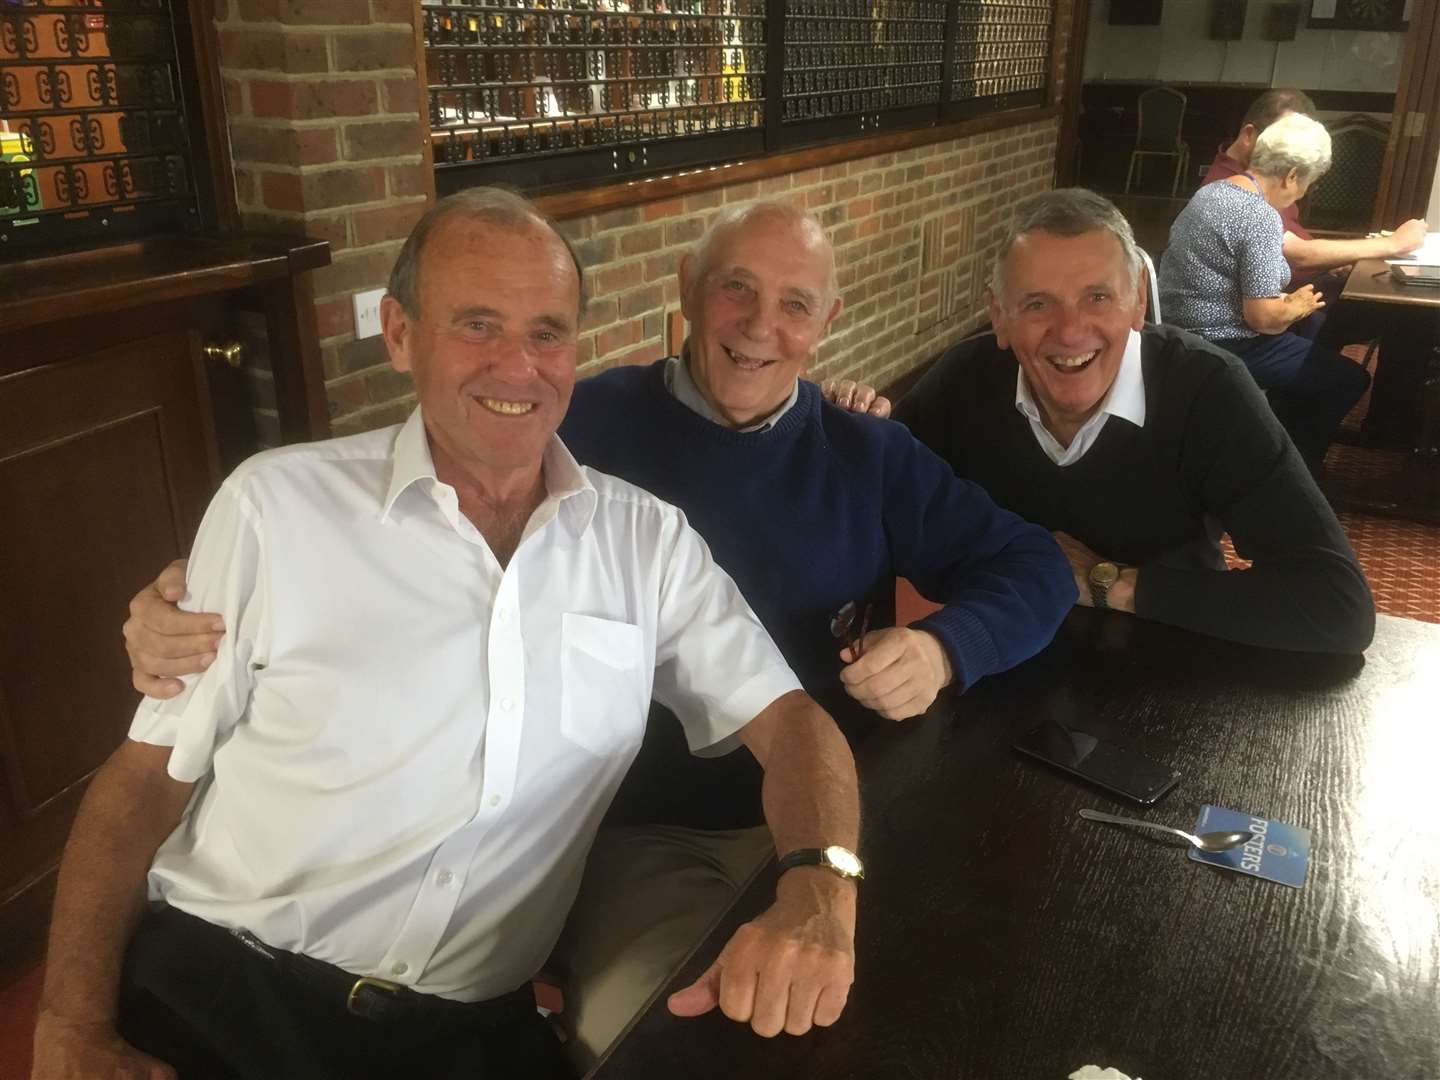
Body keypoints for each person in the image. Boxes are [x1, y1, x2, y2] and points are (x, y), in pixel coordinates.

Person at [121, 199, 1077, 1073]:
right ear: (688, 297)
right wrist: (182, 598)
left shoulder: (841, 456)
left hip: (814, 809)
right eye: (735, 290)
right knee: (681, 1048)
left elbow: (1021, 574)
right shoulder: (576, 425)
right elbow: (412, 493)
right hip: (627, 840)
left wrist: (948, 646)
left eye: (795, 304)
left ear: (826, 325)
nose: (759, 326)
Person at [32, 189, 863, 1080]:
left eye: (547, 332)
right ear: (400, 335)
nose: (518, 365)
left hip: (463, 1036)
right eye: (477, 325)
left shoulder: (645, 542)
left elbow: (794, 726)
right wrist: (67, 1022)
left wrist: (822, 883)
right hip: (226, 984)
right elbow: (141, 786)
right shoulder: (275, 508)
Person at [896, 187, 1375, 656]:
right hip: (996, 652)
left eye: (1098, 297)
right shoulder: (963, 380)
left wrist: (1108, 582)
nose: (1070, 330)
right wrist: (844, 422)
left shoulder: (1208, 388)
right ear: (998, 315)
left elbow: (1338, 606)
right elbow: (867, 503)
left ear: (1139, 301)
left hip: (1169, 660)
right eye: (1037, 304)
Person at [1159, 112, 1368, 474]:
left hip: (1177, 332)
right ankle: (1290, 473)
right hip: (1222, 343)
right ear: (1291, 175)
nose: (1303, 192)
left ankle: (1265, 437)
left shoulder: (1213, 191)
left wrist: (1296, 309)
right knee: (1348, 379)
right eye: (1309, 183)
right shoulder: (1259, 215)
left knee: (1316, 334)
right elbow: (1264, 319)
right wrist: (1297, 305)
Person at [1202, 88, 1426, 298]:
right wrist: (1394, 243)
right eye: (1283, 141)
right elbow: (1298, 255)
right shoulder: (1229, 188)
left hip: (1303, 283)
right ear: (1249, 135)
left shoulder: (1267, 176)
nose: (1294, 154)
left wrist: (1335, 259)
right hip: (1279, 298)